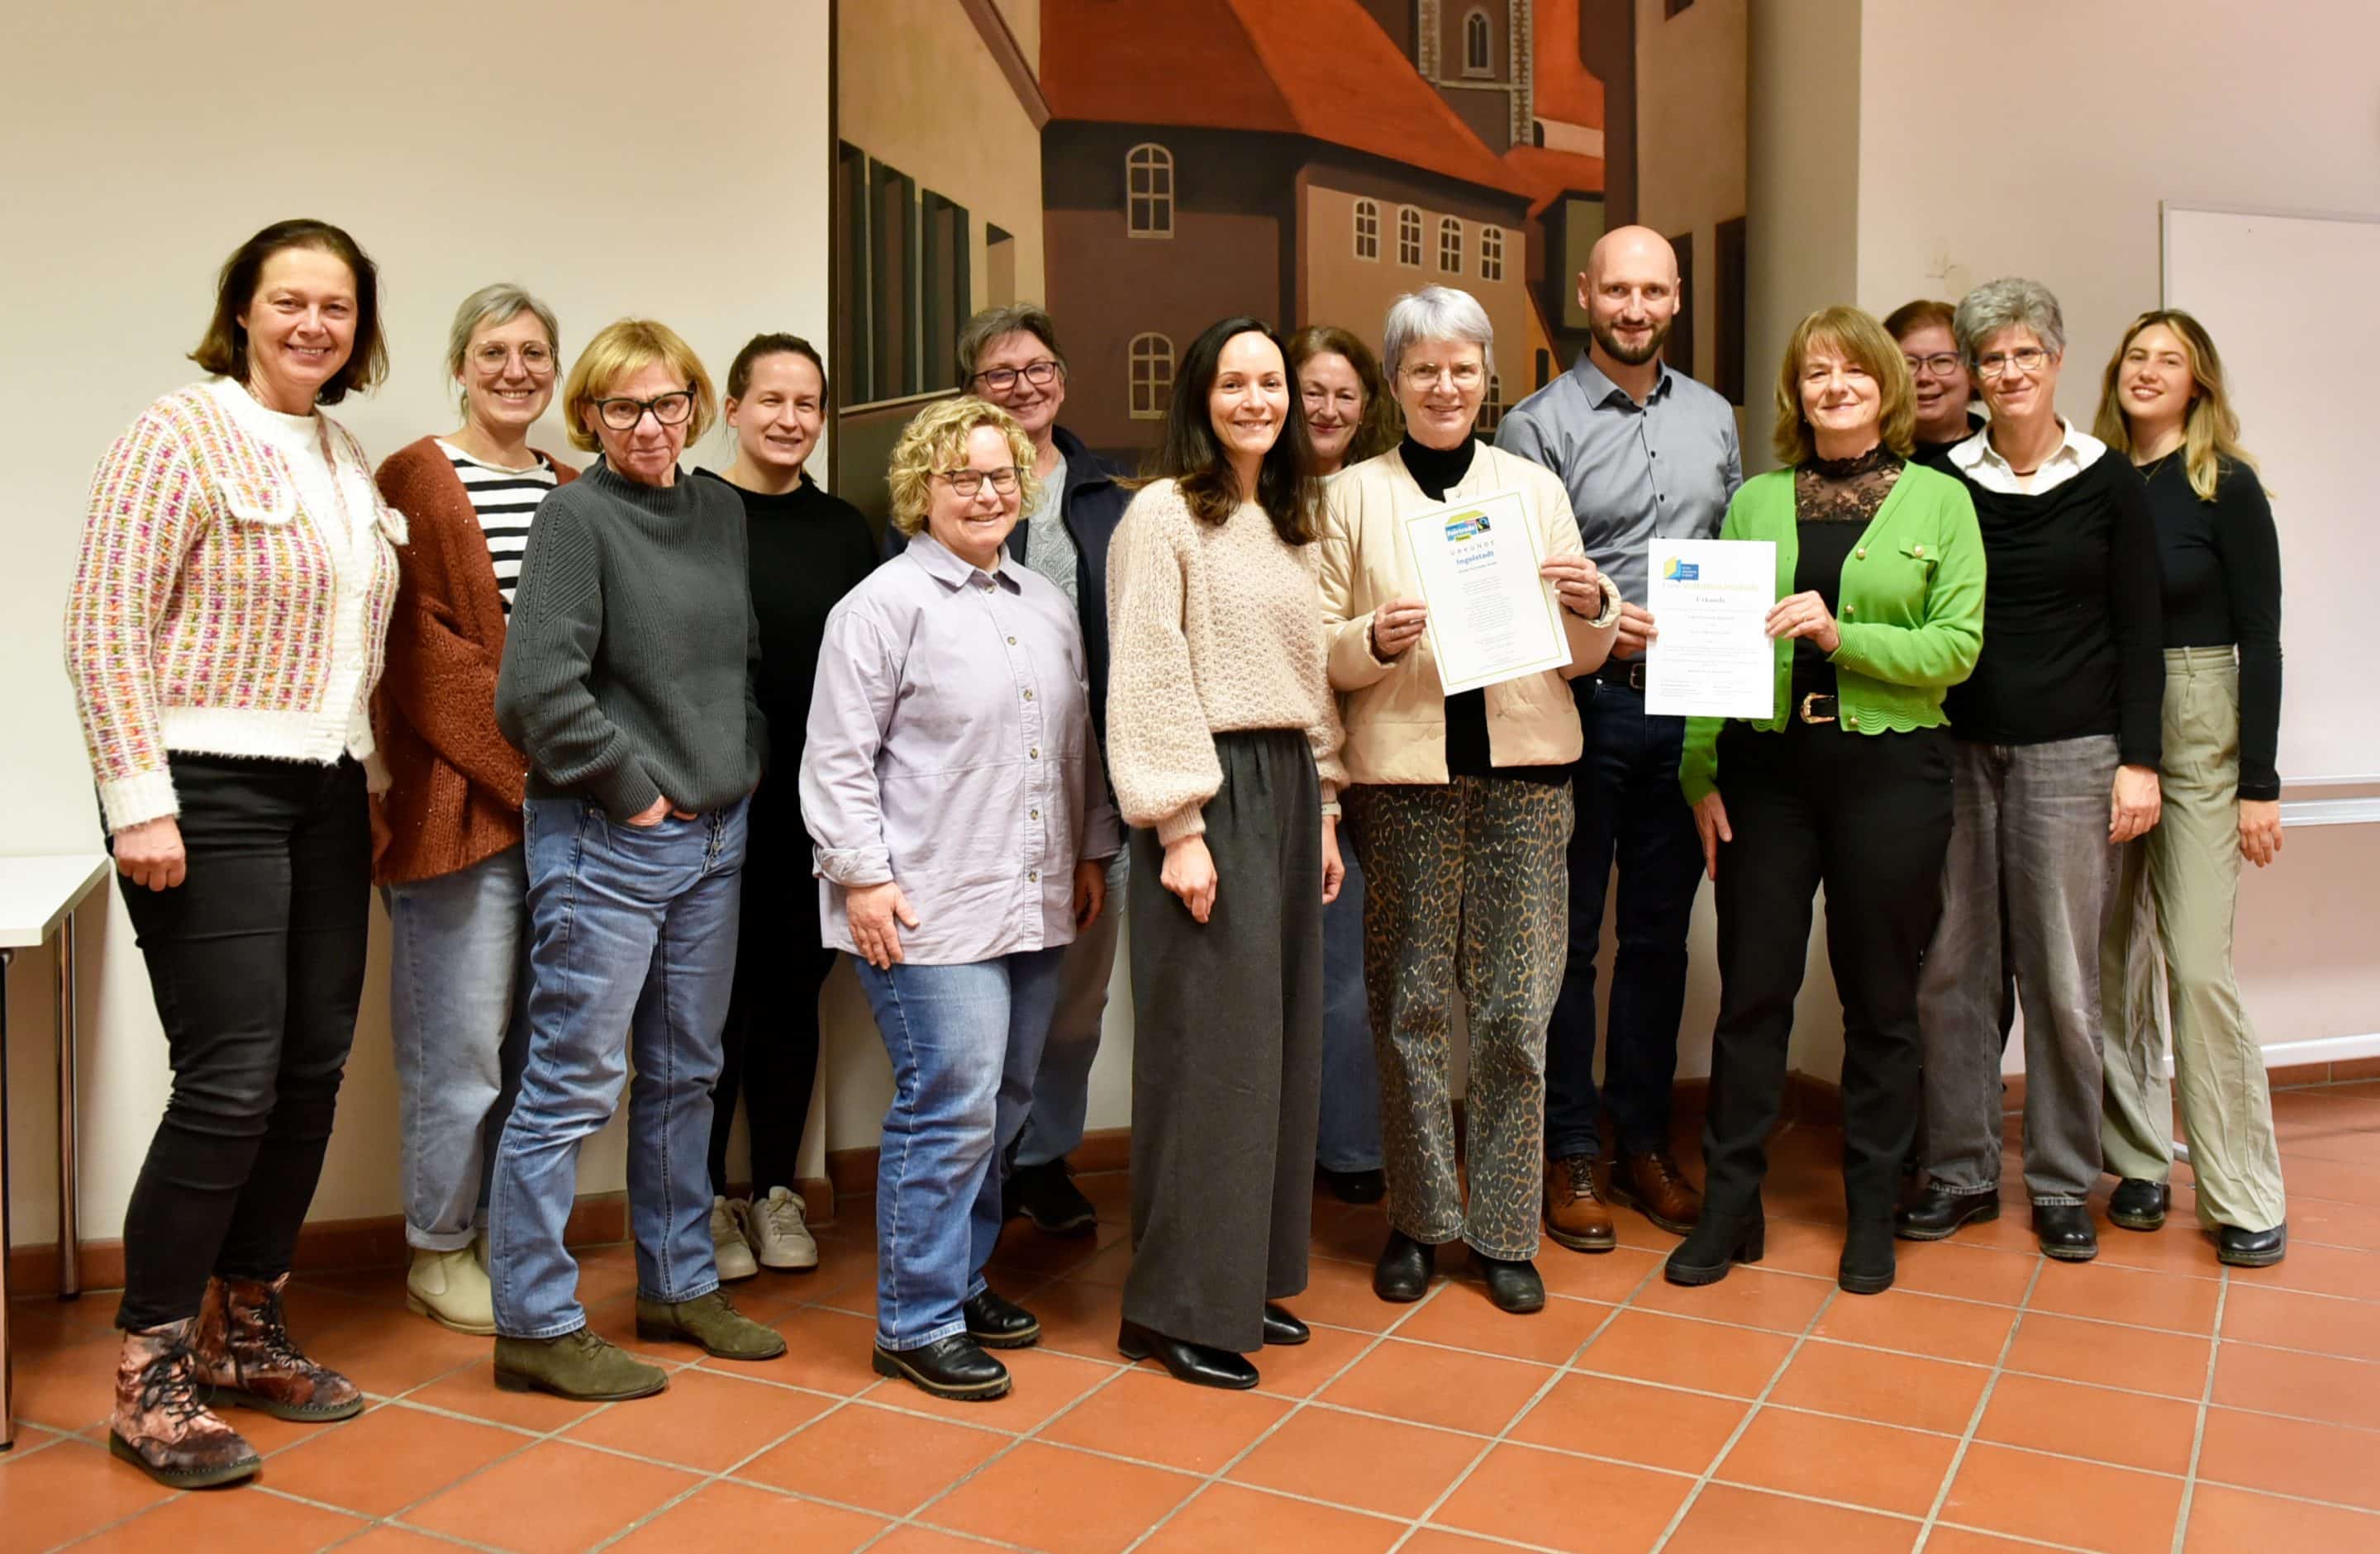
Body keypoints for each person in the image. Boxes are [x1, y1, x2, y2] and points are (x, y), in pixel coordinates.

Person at [64, 218, 401, 1486]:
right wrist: (137, 797)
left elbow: (344, 652)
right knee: (230, 1077)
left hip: (321, 792)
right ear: (245, 310)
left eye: (338, 306)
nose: (315, 324)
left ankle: (241, 1328)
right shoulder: (179, 431)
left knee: (311, 1066)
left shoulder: (342, 453)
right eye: (290, 301)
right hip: (203, 790)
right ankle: (147, 1372)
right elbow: (105, 623)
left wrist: (363, 780)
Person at [488, 319, 784, 1400]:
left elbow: (737, 656)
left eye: (667, 404)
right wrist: (635, 788)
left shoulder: (715, 509)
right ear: (591, 419)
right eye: (623, 408)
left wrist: (738, 759)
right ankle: (534, 1319)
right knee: (570, 1083)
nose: (649, 425)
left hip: (716, 835)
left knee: (687, 1073)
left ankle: (678, 1284)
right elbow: (531, 695)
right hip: (611, 838)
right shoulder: (576, 517)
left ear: (698, 406)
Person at [803, 397, 1118, 1401]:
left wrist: (1093, 852)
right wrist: (861, 876)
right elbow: (838, 761)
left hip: (1033, 895)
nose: (985, 492)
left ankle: (962, 1276)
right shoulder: (881, 608)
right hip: (924, 909)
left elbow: (1076, 746)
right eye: (961, 477)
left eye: (999, 476)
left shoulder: (1044, 602)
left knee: (1004, 1102)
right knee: (950, 1105)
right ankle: (915, 1317)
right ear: (920, 492)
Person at [1318, 288, 1621, 1314]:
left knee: (1512, 1011)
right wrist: (1372, 640)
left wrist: (1596, 607)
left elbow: (1582, 654)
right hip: (1403, 785)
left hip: (1526, 782)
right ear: (1394, 385)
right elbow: (1320, 650)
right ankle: (1419, 1221)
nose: (1444, 386)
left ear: (1490, 378)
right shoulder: (1351, 496)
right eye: (1422, 370)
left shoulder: (1533, 488)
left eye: (1462, 368)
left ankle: (1501, 1226)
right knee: (1406, 1009)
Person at [1670, 307, 1984, 1296]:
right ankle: (1730, 1206)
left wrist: (1843, 636)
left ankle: (1874, 1209)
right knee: (1753, 992)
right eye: (1816, 373)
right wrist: (1698, 771)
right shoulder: (1756, 500)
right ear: (1796, 394)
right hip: (1767, 773)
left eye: (1854, 370)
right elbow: (1710, 647)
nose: (1834, 386)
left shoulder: (1940, 503)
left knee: (1880, 1000)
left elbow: (1956, 650)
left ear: (1886, 387)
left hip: (1891, 773)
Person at [1106, 316, 1347, 1389]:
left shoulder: (1289, 516)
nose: (1257, 400)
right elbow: (1150, 667)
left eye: (1273, 383)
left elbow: (1310, 681)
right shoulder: (1163, 514)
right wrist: (1179, 828)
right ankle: (1171, 1306)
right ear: (1199, 393)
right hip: (1209, 792)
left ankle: (1241, 1274)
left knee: (1275, 1054)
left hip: (1289, 787)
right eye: (1234, 382)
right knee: (1210, 1057)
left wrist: (1328, 811)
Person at [1904, 278, 2164, 1263]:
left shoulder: (2110, 483)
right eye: (1990, 358)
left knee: (2062, 977)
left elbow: (2142, 632)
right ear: (1970, 373)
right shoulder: (1943, 479)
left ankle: (2061, 1180)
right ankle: (1965, 1170)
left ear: (2055, 360)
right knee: (1953, 969)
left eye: (2026, 354)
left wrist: (2139, 762)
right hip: (1958, 752)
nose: (2008, 373)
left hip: (2075, 754)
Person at [1496, 226, 1743, 1250]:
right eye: (1617, 291)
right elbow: (1516, 584)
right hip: (1582, 708)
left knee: (1657, 938)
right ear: (1586, 295)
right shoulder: (1533, 426)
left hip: (1689, 705)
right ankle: (1570, 1154)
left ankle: (1643, 1143)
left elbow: (1737, 553)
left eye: (1653, 291)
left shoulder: (1717, 418)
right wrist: (1598, 624)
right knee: (1566, 944)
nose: (1635, 309)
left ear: (1675, 297)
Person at [374, 283, 574, 1336]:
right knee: (456, 1053)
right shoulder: (413, 476)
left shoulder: (574, 486)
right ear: (459, 364)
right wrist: (534, 775)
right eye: (493, 350)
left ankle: (512, 1229)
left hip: (570, 821)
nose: (515, 370)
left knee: (549, 1045)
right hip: (462, 814)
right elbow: (417, 653)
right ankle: (437, 1248)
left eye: (534, 352)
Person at [2092, 310, 2288, 1267]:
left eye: (2170, 360)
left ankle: (2242, 1188)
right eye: (2136, 356)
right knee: (2113, 955)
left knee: (2198, 965)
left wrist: (2261, 782)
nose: (2149, 371)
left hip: (2199, 716)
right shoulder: (2091, 480)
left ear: (2199, 384)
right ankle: (2136, 1161)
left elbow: (2263, 635)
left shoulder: (2227, 486)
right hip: (2100, 724)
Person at [694, 334, 877, 1281]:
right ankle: (705, 1205)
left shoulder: (846, 532)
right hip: (707, 808)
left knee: (792, 1003)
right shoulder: (687, 513)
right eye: (772, 400)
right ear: (732, 408)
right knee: (706, 1009)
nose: (790, 419)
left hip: (813, 812)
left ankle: (775, 1192)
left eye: (808, 403)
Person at [959, 304, 1133, 1238]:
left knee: (1074, 1003)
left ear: (1062, 380)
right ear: (971, 393)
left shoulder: (1113, 500)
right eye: (999, 374)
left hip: (1094, 792)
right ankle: (980, 1168)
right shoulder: (958, 494)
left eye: (1038, 368)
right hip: (988, 795)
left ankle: (1044, 1156)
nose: (1024, 386)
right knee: (992, 1003)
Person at [1288, 323, 1399, 1206]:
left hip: (1388, 753)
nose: (1326, 408)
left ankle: (1356, 1147)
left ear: (1368, 407)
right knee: (1314, 966)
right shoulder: (1258, 498)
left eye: (1344, 393)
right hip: (1292, 760)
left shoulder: (1387, 498)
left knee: (1365, 965)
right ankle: (1309, 1148)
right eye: (1310, 389)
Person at [1887, 299, 1986, 470]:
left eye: (1941, 361)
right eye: (1909, 363)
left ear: (1972, 371)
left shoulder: (2001, 456)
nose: (1925, 376)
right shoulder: (1870, 460)